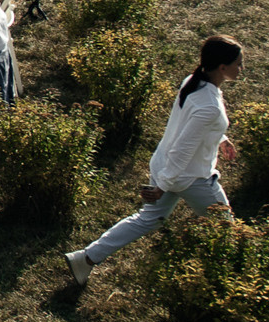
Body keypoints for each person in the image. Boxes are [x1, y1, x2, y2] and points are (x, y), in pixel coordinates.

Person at [66, 37, 244, 288]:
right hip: (190, 178)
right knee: (226, 229)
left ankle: (86, 258)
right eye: (238, 63)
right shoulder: (209, 106)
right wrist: (163, 185)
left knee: (148, 219)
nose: (242, 68)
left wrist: (221, 139)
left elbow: (192, 126)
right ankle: (233, 283)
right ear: (222, 67)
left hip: (166, 167)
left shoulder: (193, 84)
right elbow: (184, 149)